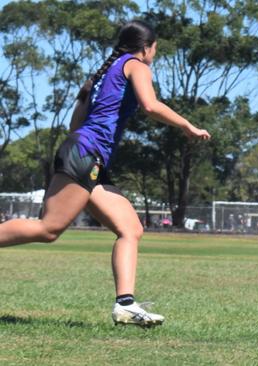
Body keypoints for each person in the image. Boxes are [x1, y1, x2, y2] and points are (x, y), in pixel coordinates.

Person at [0, 20, 210, 327]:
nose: (153, 55)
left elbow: (75, 125)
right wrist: (187, 126)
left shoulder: (101, 75)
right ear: (146, 48)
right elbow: (150, 106)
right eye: (155, 50)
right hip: (87, 155)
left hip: (84, 153)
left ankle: (125, 304)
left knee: (130, 228)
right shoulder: (136, 65)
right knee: (48, 229)